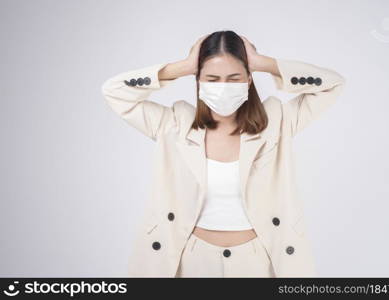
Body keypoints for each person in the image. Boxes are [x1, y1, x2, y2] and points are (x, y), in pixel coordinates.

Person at [101, 30, 346, 277]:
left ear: (249, 79)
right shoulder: (173, 124)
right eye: (213, 78)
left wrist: (265, 63)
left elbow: (332, 84)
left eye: (234, 78)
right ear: (198, 81)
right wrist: (182, 67)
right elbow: (114, 92)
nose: (223, 87)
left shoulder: (278, 121)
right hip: (192, 259)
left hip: (259, 260)